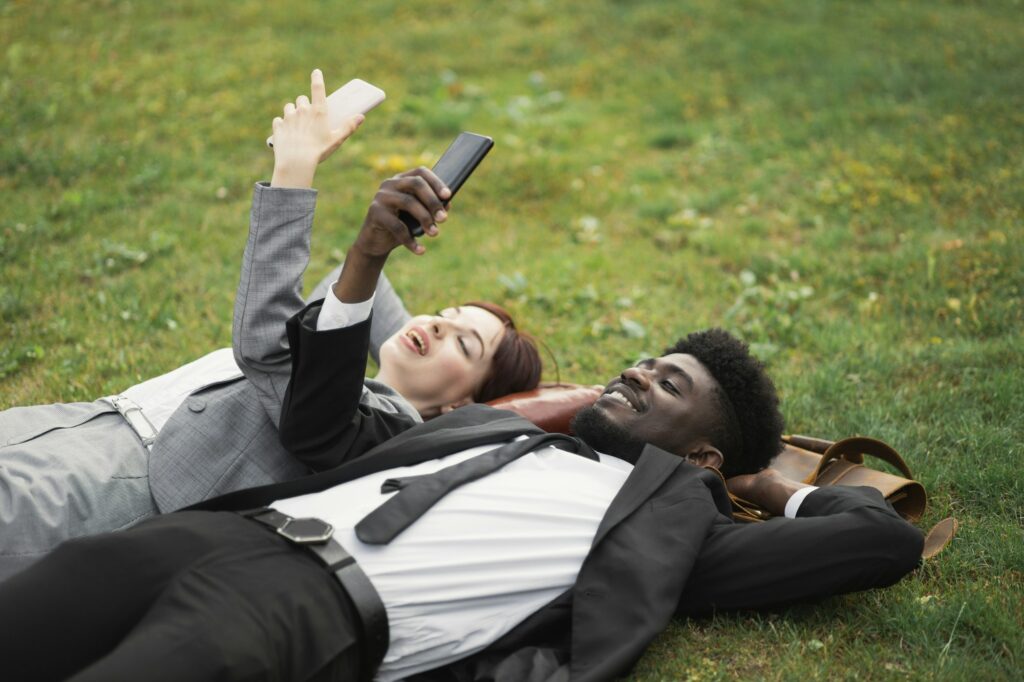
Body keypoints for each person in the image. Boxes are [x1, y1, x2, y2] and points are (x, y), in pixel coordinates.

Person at [0, 320, 924, 681]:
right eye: (645, 361)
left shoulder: (673, 523)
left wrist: (772, 489)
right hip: (202, 539)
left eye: (668, 383)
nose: (638, 370)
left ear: (705, 452)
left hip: (304, 609)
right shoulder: (499, 427)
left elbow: (880, 547)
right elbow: (330, 429)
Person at [0, 69, 540, 581]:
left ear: (458, 409)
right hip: (90, 424)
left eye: (465, 344)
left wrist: (301, 175)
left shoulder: (387, 434)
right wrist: (389, 272)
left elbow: (269, 348)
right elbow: (347, 300)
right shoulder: (367, 362)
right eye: (443, 314)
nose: (437, 327)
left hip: (124, 485)